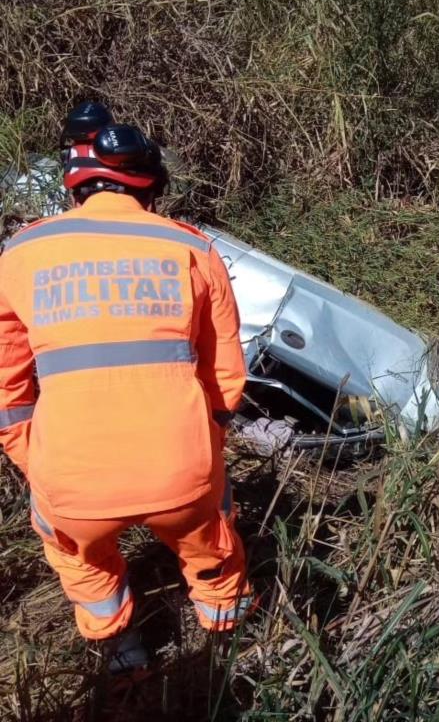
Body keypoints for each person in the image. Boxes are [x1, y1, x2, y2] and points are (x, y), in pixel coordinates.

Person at [0, 102, 252, 673]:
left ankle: (120, 650)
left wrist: (35, 462)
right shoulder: (191, 248)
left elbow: (7, 390)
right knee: (211, 539)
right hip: (180, 473)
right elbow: (226, 379)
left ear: (75, 185)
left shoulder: (18, 255)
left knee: (80, 559)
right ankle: (227, 638)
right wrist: (206, 443)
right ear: (149, 184)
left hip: (70, 481)